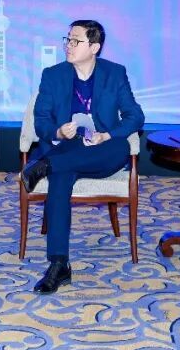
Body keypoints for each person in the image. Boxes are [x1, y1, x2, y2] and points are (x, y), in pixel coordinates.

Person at [20, 19, 144, 294]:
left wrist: (107, 135)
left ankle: (45, 165)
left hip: (101, 150)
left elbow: (135, 116)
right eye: (67, 39)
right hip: (66, 147)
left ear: (94, 47)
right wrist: (58, 132)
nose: (68, 45)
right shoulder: (53, 75)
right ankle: (59, 264)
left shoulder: (115, 74)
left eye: (76, 41)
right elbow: (41, 120)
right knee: (60, 177)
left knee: (121, 147)